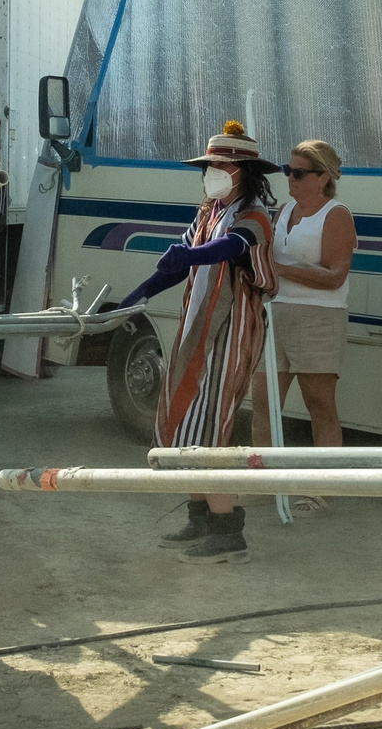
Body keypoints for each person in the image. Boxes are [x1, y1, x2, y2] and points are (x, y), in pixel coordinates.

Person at [116, 122, 279, 564]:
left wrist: (191, 256)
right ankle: (201, 515)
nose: (212, 172)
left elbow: (233, 246)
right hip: (198, 328)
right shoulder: (208, 212)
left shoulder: (256, 212)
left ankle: (229, 531)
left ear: (243, 170)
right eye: (208, 165)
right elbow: (176, 264)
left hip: (232, 329)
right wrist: (137, 297)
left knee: (210, 427)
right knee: (185, 414)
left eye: (220, 165)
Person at [250, 140, 357, 485]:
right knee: (264, 404)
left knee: (319, 406)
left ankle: (323, 488)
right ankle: (262, 483)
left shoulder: (336, 214)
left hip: (319, 318)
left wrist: (279, 270)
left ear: (323, 177)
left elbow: (335, 276)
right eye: (287, 170)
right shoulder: (282, 212)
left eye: (298, 172)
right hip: (275, 314)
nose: (290, 178)